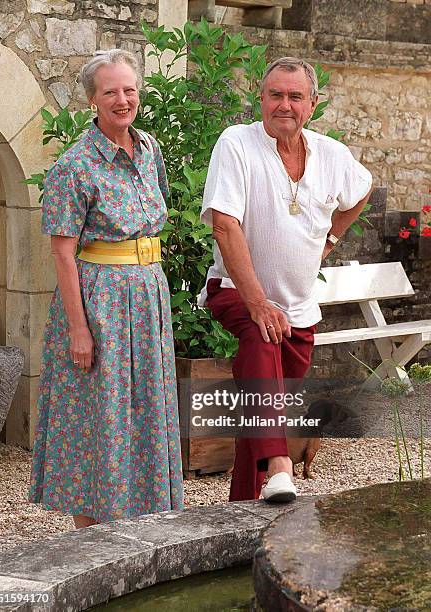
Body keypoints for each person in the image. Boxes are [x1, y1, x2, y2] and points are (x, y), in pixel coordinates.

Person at [198, 57, 372, 503]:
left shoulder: (331, 154)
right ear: (261, 99)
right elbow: (224, 224)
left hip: (298, 307)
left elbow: (362, 187)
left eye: (295, 96)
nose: (284, 105)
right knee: (261, 340)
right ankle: (281, 466)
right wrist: (257, 302)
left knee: (263, 409)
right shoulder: (236, 143)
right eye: (275, 95)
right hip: (237, 292)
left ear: (312, 104)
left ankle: (245, 512)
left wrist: (332, 235)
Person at [29, 49, 184, 528]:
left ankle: (145, 524)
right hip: (103, 303)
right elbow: (62, 253)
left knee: (146, 408)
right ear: (92, 100)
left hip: (149, 296)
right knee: (102, 413)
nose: (123, 99)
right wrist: (79, 329)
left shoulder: (151, 149)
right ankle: (92, 540)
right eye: (110, 91)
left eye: (130, 89)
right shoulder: (74, 167)